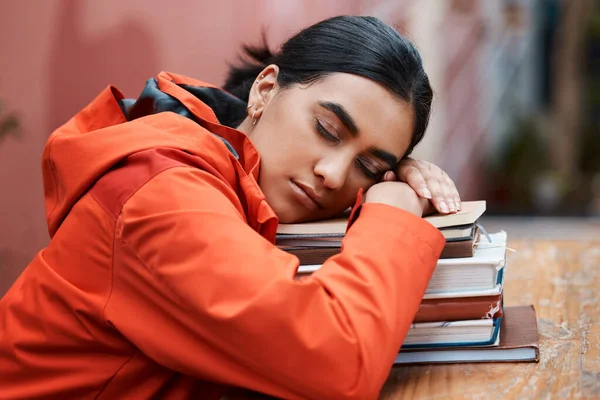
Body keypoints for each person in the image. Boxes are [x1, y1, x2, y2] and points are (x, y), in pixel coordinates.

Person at [0, 16, 461, 400]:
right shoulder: (160, 194)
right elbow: (337, 361)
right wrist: (395, 212)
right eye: (327, 129)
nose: (335, 176)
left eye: (367, 164)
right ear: (264, 91)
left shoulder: (227, 159)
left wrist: (387, 181)